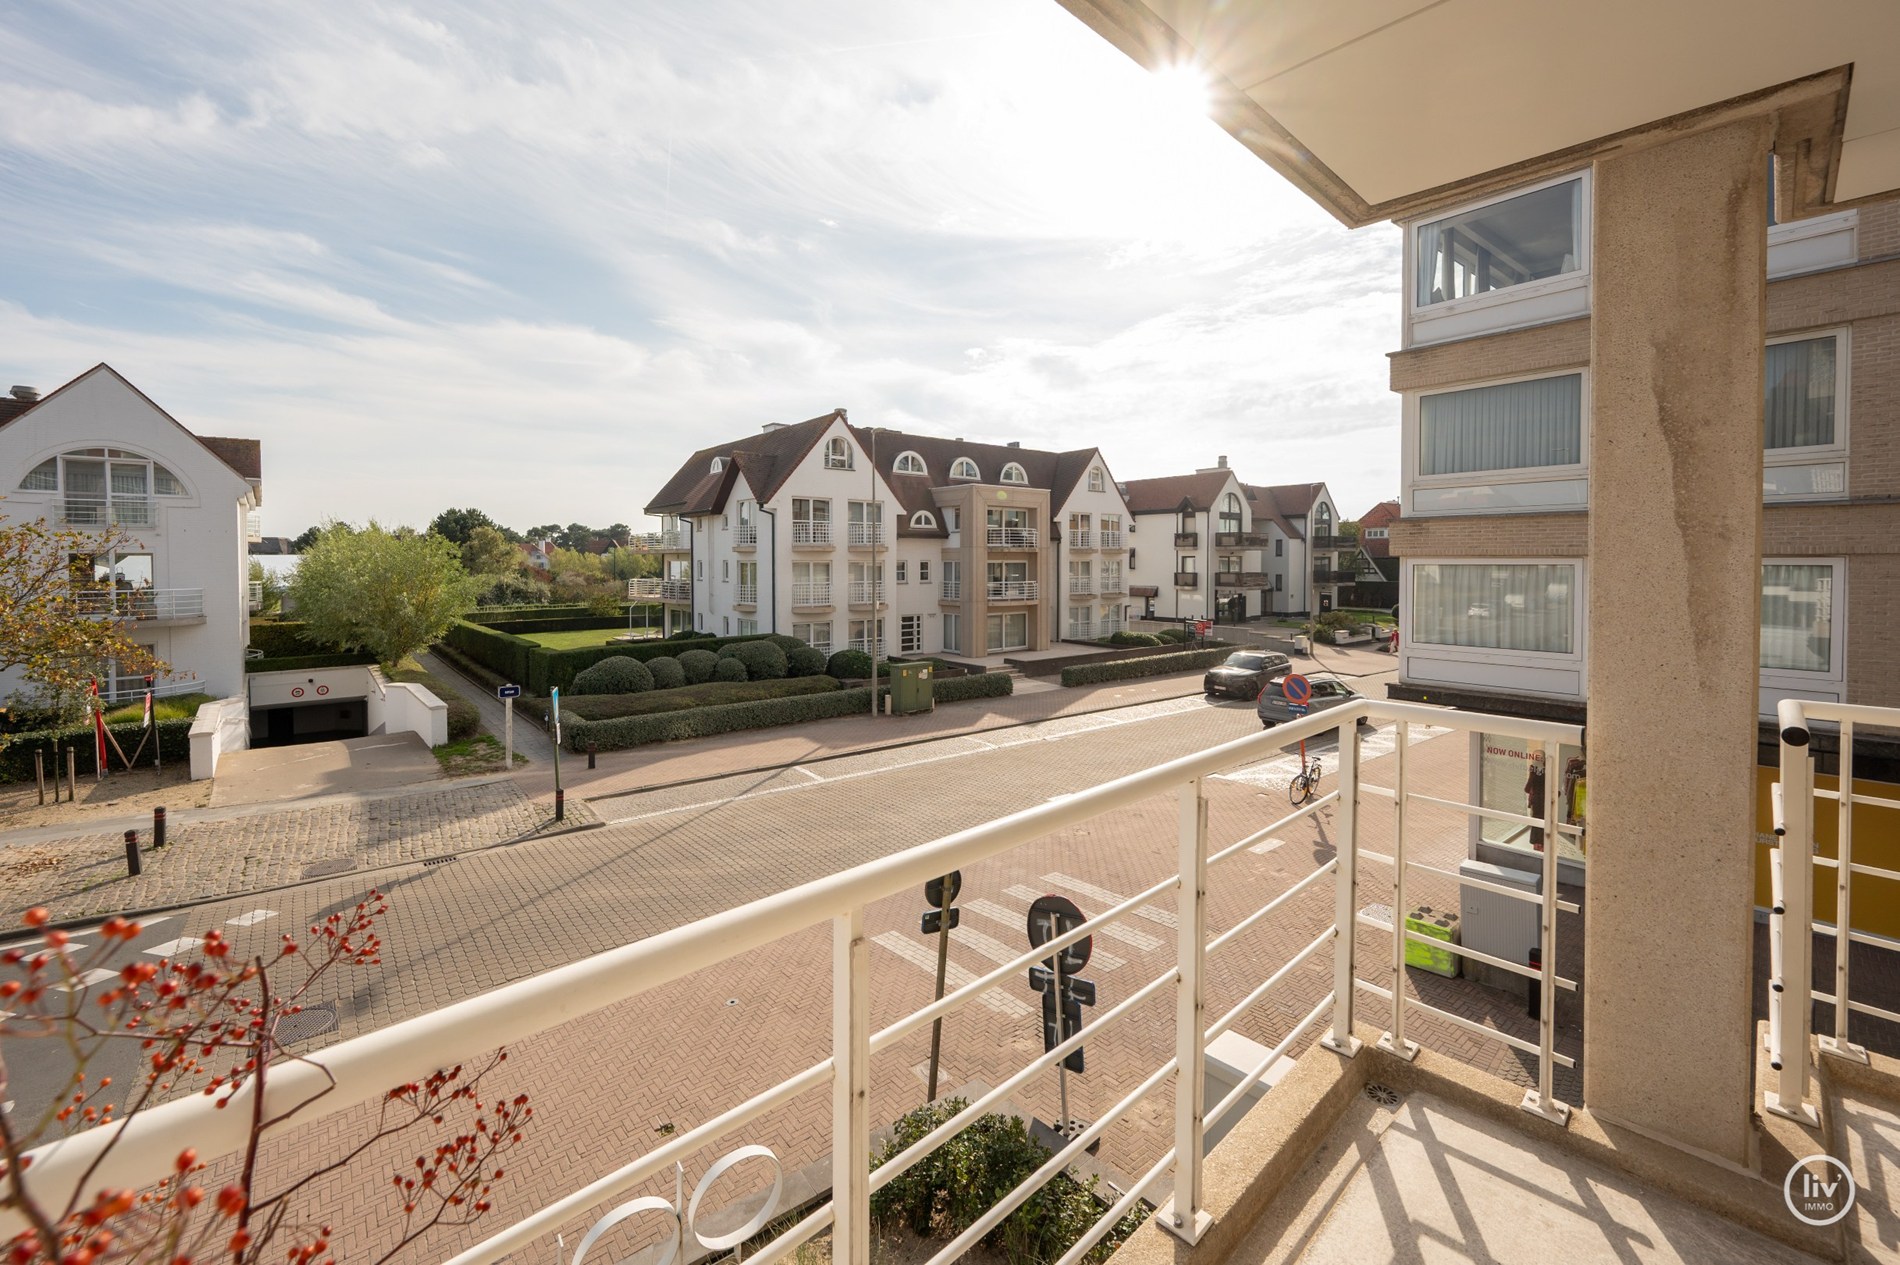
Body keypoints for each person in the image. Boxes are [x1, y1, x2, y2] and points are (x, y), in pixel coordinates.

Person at [1525, 751, 1547, 851]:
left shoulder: (1535, 770)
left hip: (1538, 802)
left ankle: (1538, 848)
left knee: (1538, 825)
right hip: (1543, 801)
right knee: (1542, 825)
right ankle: (1542, 847)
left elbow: (1527, 788)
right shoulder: (1547, 770)